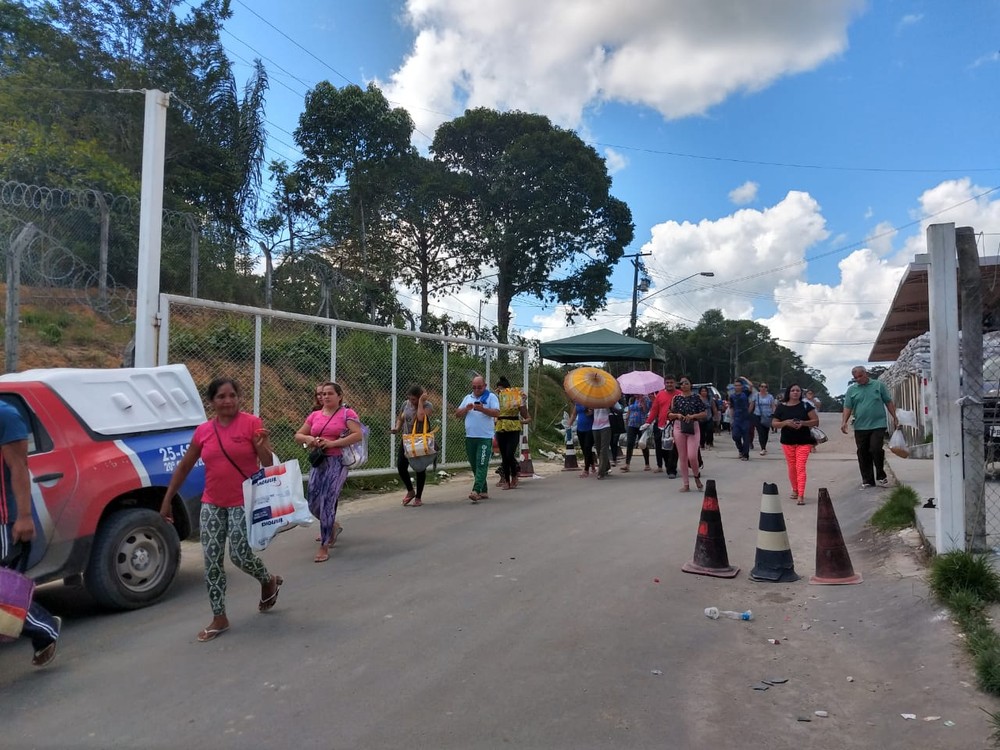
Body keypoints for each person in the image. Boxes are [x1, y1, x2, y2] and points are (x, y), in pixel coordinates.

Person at [161, 377, 283, 642]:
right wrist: (168, 498)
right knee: (212, 560)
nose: (227, 401)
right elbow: (183, 466)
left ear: (239, 397)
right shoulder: (203, 431)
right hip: (212, 502)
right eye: (221, 397)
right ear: (211, 402)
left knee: (239, 554)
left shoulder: (252, 423)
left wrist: (262, 448)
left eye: (232, 395)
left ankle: (267, 579)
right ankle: (219, 617)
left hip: (244, 500)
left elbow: (268, 463)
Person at [0, 401, 61, 666]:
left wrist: (24, 517)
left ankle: (45, 628)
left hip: (3, 518)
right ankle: (43, 628)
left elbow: (18, 467)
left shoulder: (5, 415)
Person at [294, 381, 363, 562]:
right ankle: (333, 525)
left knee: (327, 501)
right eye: (323, 394)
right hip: (319, 461)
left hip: (338, 461)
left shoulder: (347, 413)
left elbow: (358, 434)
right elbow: (298, 435)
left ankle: (324, 545)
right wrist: (309, 439)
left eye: (329, 393)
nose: (325, 397)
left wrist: (333, 443)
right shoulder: (315, 415)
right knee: (313, 503)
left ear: (339, 396)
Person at [841, 366, 898, 489]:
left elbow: (888, 401)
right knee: (862, 452)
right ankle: (867, 479)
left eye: (860, 376)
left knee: (876, 449)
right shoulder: (852, 390)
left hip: (878, 424)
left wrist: (894, 417)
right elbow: (847, 407)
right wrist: (844, 421)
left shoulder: (878, 385)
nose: (858, 379)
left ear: (866, 374)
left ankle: (881, 475)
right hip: (860, 426)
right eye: (855, 378)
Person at [456, 376, 500, 502]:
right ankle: (484, 490)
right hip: (470, 437)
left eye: (479, 387)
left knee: (481, 463)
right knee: (475, 465)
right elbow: (457, 414)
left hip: (485, 437)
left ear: (485, 386)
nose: (476, 390)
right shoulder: (468, 398)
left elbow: (497, 413)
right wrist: (466, 409)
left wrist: (482, 409)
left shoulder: (491, 397)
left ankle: (476, 490)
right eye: (474, 387)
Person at [773, 384, 819, 504]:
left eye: (798, 390)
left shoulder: (806, 406)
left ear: (801, 393)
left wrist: (803, 423)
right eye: (793, 390)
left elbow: (815, 421)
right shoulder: (781, 407)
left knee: (800, 467)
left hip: (804, 441)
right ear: (788, 392)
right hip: (787, 442)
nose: (795, 392)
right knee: (792, 468)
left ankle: (801, 495)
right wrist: (786, 423)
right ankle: (795, 489)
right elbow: (774, 423)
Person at [391, 384, 433, 506]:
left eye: (413, 399)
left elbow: (420, 418)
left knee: (419, 468)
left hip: (420, 441)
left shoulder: (427, 405)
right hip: (407, 440)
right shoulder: (405, 404)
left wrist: (420, 402)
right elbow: (401, 418)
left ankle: (418, 497)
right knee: (401, 466)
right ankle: (410, 490)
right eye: (409, 398)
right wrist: (397, 428)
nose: (411, 401)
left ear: (420, 397)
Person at [667, 377, 707, 491]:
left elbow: (704, 413)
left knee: (692, 456)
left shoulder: (696, 397)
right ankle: (686, 484)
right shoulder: (676, 398)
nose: (684, 385)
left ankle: (696, 476)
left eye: (686, 383)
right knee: (683, 457)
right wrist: (677, 415)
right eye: (682, 384)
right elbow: (669, 413)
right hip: (679, 426)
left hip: (692, 426)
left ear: (690, 385)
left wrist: (693, 416)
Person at [494, 376, 530, 490]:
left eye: (502, 389)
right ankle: (507, 480)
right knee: (504, 456)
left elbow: (528, 417)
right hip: (500, 428)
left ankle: (514, 476)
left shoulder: (516, 399)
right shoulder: (495, 400)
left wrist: (523, 401)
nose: (501, 392)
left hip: (513, 428)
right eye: (499, 390)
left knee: (510, 454)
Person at [646, 376, 679, 476]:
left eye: (671, 382)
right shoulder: (660, 395)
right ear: (664, 384)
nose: (669, 384)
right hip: (662, 426)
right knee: (663, 449)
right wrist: (648, 422)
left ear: (675, 383)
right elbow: (654, 410)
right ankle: (668, 465)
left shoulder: (679, 395)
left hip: (675, 425)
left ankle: (672, 470)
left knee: (673, 449)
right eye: (667, 382)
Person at [592, 402, 622, 479]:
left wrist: (610, 406)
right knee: (598, 449)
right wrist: (589, 409)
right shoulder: (593, 399)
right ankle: (607, 467)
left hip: (606, 426)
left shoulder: (609, 399)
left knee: (604, 449)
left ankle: (601, 472)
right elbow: (588, 413)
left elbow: (619, 411)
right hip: (595, 427)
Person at [622, 394, 651, 471]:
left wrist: (643, 403)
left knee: (642, 443)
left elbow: (646, 411)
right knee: (630, 443)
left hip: (642, 424)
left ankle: (647, 464)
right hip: (632, 423)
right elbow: (629, 410)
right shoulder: (632, 399)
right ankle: (627, 464)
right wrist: (627, 421)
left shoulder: (646, 399)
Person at [729, 379, 753, 461]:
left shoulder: (745, 393)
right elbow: (731, 407)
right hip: (736, 418)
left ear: (742, 386)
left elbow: (751, 386)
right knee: (735, 436)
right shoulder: (732, 396)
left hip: (745, 418)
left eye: (739, 385)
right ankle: (740, 449)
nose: (737, 387)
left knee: (746, 437)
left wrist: (744, 379)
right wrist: (731, 419)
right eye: (736, 385)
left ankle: (745, 454)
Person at [751, 382, 776, 456]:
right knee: (760, 431)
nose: (763, 388)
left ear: (767, 388)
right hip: (757, 415)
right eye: (762, 386)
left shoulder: (770, 396)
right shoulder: (756, 395)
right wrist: (748, 413)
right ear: (759, 388)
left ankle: (764, 446)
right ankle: (763, 448)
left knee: (765, 432)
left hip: (767, 416)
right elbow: (752, 405)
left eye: (765, 387)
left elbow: (773, 406)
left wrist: (774, 415)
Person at [574, 402, 596, 477]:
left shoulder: (590, 402)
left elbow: (591, 413)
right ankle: (592, 463)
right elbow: (574, 414)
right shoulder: (577, 403)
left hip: (589, 428)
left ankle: (586, 470)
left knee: (587, 447)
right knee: (584, 449)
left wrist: (590, 411)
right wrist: (569, 423)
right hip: (580, 428)